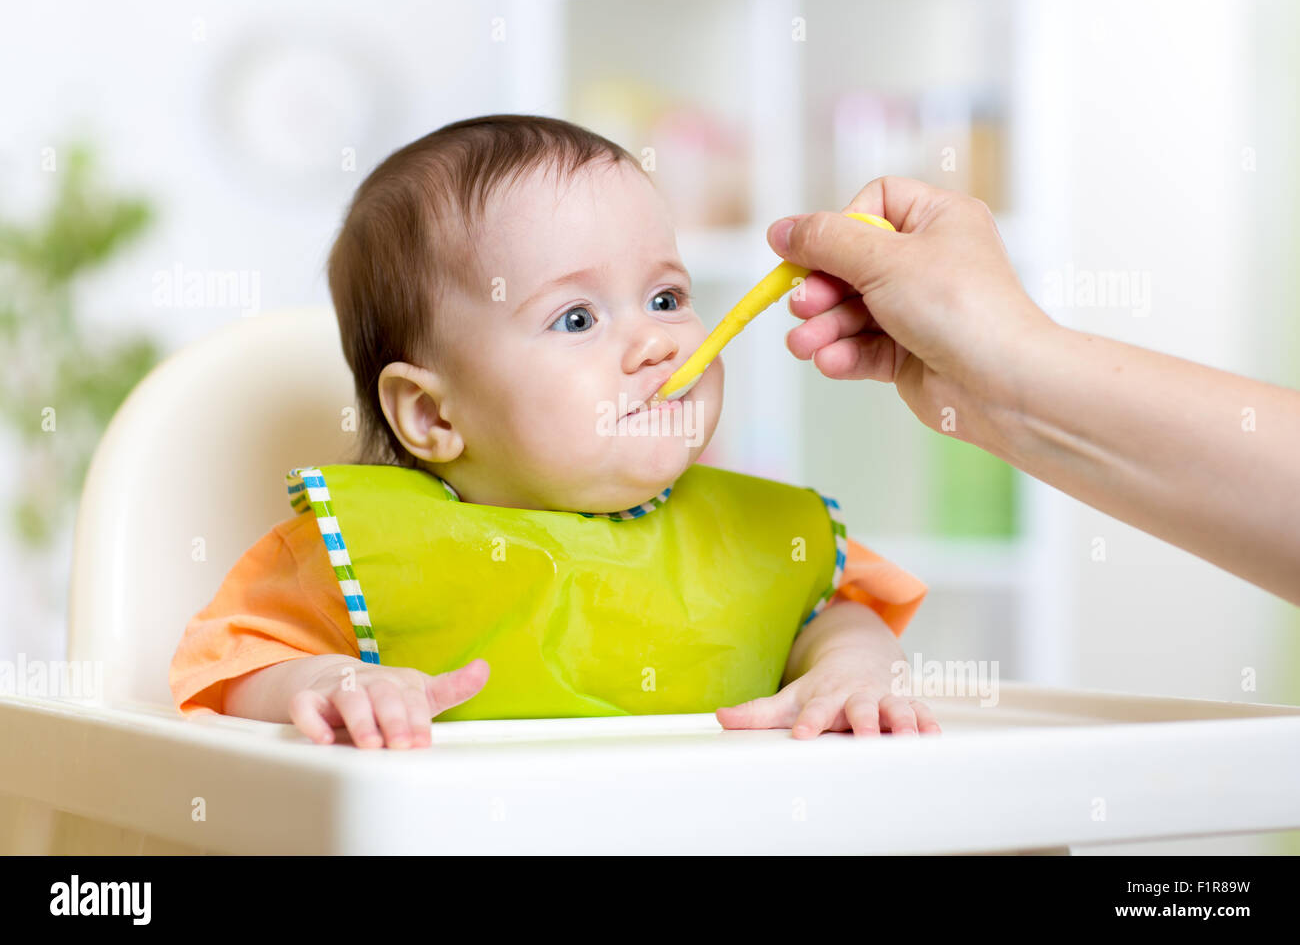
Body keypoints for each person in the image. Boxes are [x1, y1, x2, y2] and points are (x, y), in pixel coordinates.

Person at [169, 116, 937, 750]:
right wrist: (331, 686)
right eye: (577, 318)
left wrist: (857, 671)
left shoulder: (763, 533)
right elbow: (232, 664)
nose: (659, 342)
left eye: (667, 298)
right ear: (433, 415)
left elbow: (838, 614)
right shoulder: (362, 551)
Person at [770, 176, 1300, 606]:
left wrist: (849, 667)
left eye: (680, 300)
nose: (679, 345)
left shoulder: (790, 531)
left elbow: (845, 620)